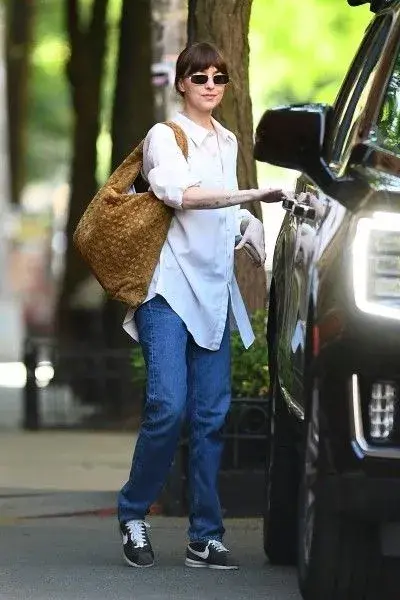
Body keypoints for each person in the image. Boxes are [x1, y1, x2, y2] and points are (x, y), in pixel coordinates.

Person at [118, 41, 288, 570]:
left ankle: (205, 537)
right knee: (168, 407)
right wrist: (249, 198)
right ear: (182, 84)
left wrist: (248, 226)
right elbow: (181, 195)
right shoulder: (164, 137)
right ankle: (132, 512)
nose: (211, 84)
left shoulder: (229, 140)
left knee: (212, 418)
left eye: (220, 77)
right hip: (167, 291)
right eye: (200, 76)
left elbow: (220, 208)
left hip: (215, 293)